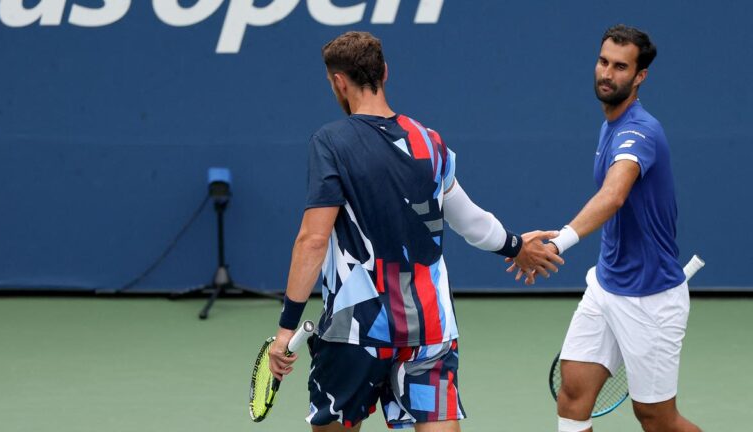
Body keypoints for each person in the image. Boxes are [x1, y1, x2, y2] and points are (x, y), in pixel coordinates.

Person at [268, 31, 563, 431]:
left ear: (338, 81)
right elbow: (471, 221)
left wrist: (287, 327)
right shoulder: (430, 142)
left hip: (355, 330)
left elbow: (313, 239)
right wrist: (516, 246)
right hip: (429, 328)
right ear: (385, 73)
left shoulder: (330, 143)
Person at [534, 25, 701, 432]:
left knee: (657, 419)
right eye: (603, 61)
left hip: (651, 300)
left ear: (640, 76)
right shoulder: (611, 123)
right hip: (607, 288)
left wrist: (563, 240)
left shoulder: (639, 130)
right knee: (572, 396)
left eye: (621, 67)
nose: (607, 73)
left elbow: (614, 196)